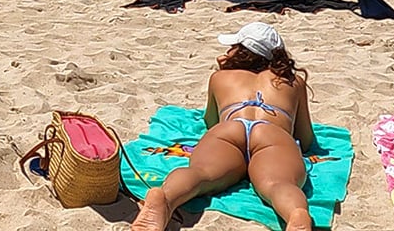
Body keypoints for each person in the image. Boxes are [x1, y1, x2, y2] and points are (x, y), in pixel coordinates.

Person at [131, 22, 315, 231]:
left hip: (230, 129)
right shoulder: (293, 81)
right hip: (272, 133)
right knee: (278, 184)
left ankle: (164, 198)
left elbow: (211, 121)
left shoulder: (220, 77)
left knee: (201, 173)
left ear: (243, 52)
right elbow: (305, 137)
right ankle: (296, 214)